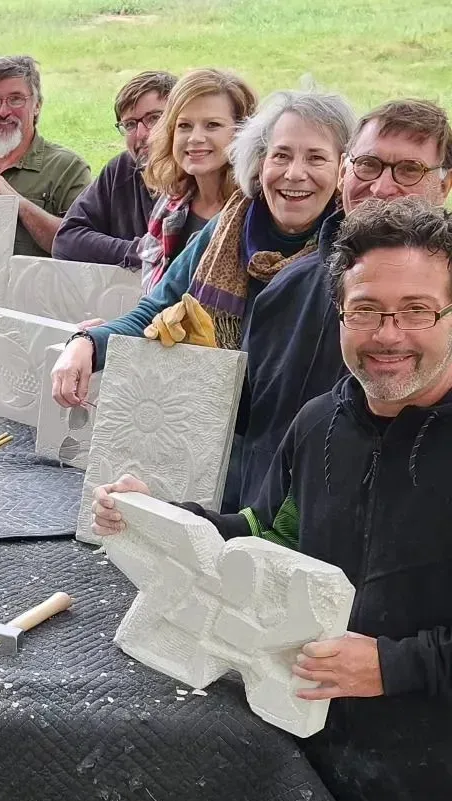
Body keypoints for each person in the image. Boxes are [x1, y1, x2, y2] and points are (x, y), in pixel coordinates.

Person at [92, 196, 452, 801]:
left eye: (417, 311)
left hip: (443, 792)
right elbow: (271, 538)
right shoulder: (321, 426)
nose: (388, 334)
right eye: (366, 310)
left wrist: (398, 664)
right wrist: (160, 521)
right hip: (335, 767)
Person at [51, 88, 355, 506]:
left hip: (300, 461)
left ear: (343, 169)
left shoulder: (348, 251)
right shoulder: (227, 229)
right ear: (259, 161)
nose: (294, 174)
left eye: (316, 158)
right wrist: (85, 345)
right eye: (281, 155)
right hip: (213, 447)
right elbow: (157, 310)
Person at [242, 99, 452, 514]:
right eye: (368, 165)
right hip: (272, 535)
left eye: (409, 170)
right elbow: (246, 428)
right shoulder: (282, 289)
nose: (382, 187)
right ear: (343, 171)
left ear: (444, 185)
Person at [0, 55, 91, 257]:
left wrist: (17, 204)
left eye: (16, 99)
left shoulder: (68, 169)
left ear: (37, 106)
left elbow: (79, 247)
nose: (3, 111)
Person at [135, 69, 258, 289]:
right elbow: (151, 301)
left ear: (244, 132)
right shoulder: (170, 205)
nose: (195, 138)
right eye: (184, 126)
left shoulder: (255, 212)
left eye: (212, 125)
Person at [52, 70, 176, 268]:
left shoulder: (200, 177)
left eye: (154, 118)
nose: (141, 134)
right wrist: (142, 251)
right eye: (130, 125)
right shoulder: (120, 170)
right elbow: (66, 240)